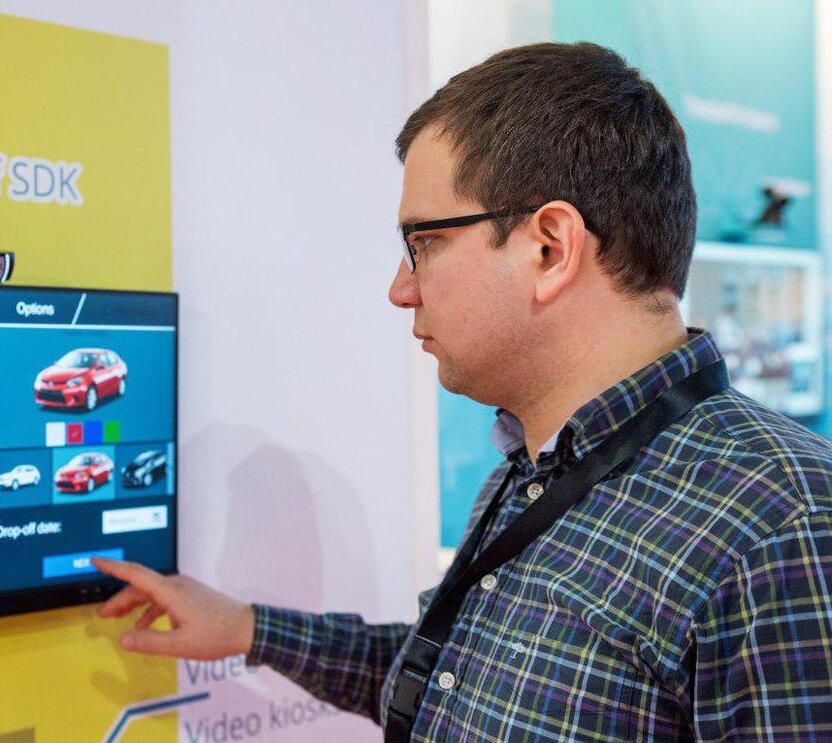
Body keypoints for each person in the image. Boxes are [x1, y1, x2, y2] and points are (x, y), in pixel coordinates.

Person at [93, 42, 832, 741]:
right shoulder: (534, 469)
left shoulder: (781, 527)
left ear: (550, 247)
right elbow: (463, 681)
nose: (401, 288)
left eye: (425, 243)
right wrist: (250, 628)